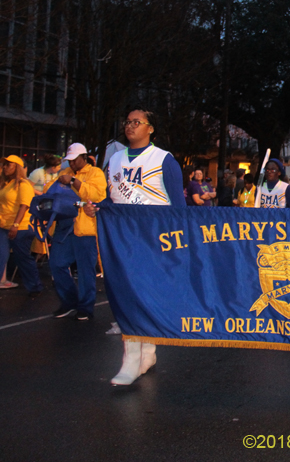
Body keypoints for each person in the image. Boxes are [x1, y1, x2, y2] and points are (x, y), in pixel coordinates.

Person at [87, 108, 186, 386]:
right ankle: (133, 356)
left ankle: (147, 352)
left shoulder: (164, 160)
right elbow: (113, 197)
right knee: (126, 294)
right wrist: (98, 208)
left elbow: (178, 206)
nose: (130, 126)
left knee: (146, 295)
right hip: (123, 236)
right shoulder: (115, 159)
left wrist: (178, 243)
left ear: (151, 128)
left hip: (154, 238)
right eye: (127, 121)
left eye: (136, 122)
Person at [46, 143, 107, 321]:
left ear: (84, 157)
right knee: (56, 263)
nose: (72, 164)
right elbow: (49, 191)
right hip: (65, 227)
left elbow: (96, 196)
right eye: (69, 161)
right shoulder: (66, 174)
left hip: (86, 228)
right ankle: (69, 301)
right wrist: (60, 181)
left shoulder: (95, 173)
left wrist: (74, 182)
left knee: (85, 270)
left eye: (74, 160)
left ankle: (85, 307)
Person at [0, 155, 43, 301]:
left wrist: (15, 224)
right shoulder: (6, 184)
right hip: (0, 224)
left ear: (17, 167)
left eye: (9, 164)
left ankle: (35, 286)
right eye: (5, 164)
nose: (5, 167)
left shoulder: (24, 185)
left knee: (22, 257)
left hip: (19, 226)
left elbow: (24, 205)